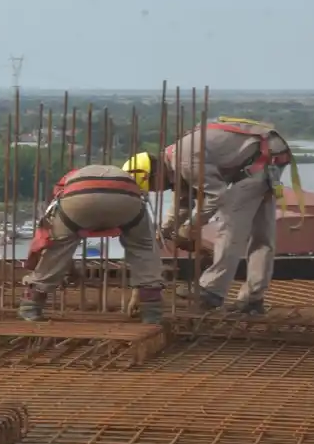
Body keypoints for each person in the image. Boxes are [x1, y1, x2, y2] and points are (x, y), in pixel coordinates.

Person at [123, 117, 301, 314]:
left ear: (155, 175)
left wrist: (191, 226)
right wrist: (164, 232)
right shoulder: (174, 161)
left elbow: (217, 195)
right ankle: (252, 300)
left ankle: (211, 290)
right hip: (269, 154)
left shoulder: (185, 162)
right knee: (261, 236)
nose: (156, 192)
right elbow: (183, 202)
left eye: (152, 188)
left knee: (230, 225)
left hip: (262, 159)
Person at [20, 165, 164, 324]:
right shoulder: (120, 174)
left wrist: (68, 269)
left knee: (56, 250)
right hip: (126, 196)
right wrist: (140, 290)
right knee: (143, 248)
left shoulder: (64, 186)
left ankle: (31, 306)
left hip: (79, 198)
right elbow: (145, 252)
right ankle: (152, 312)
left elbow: (53, 246)